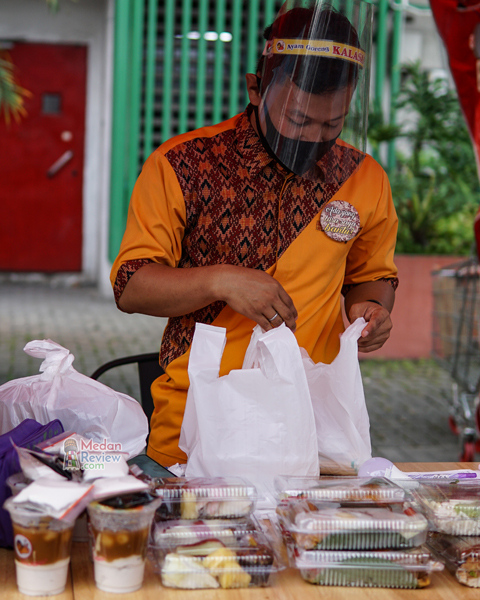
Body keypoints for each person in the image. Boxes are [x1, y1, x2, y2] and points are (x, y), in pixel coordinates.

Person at [110, 0, 398, 468]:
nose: (312, 138)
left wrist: (373, 309)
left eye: (332, 123)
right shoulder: (184, 165)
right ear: (255, 88)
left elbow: (372, 275)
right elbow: (131, 285)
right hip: (194, 428)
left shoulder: (363, 178)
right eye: (299, 120)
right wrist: (221, 280)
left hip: (309, 428)